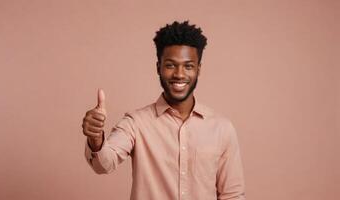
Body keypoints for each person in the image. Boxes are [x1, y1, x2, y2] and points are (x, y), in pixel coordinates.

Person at [82, 21, 245, 200]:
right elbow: (104, 164)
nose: (179, 74)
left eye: (188, 66)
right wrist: (95, 138)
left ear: (198, 70)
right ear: (158, 67)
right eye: (170, 65)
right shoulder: (136, 123)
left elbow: (232, 195)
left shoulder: (222, 128)